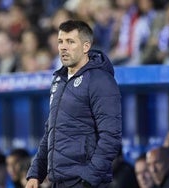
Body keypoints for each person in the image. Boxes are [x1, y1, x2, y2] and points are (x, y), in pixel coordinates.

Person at [26, 20, 122, 188]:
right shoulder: (59, 81)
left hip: (84, 182)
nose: (63, 47)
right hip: (58, 181)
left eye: (70, 42)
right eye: (60, 42)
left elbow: (111, 136)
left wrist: (89, 178)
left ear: (86, 47)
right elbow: (52, 132)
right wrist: (36, 173)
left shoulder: (100, 80)